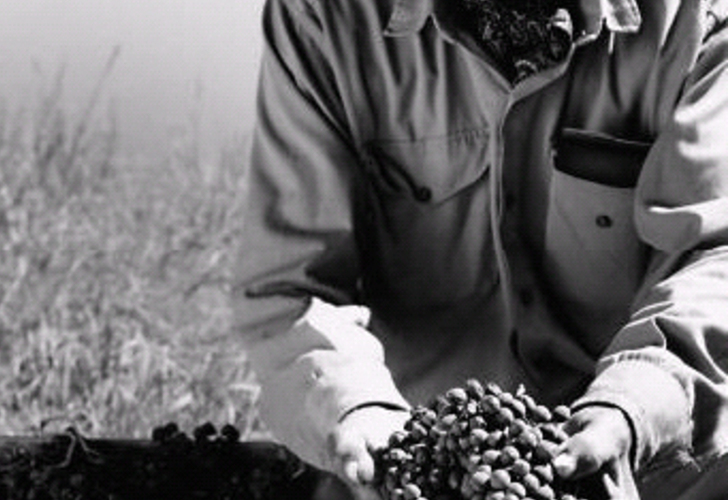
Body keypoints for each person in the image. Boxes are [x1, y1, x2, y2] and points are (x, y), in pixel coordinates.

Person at [231, 0, 728, 497]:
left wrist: (633, 406)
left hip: (649, 470)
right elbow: (290, 288)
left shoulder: (698, 19)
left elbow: (716, 262)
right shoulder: (324, 17)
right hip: (408, 465)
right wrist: (359, 410)